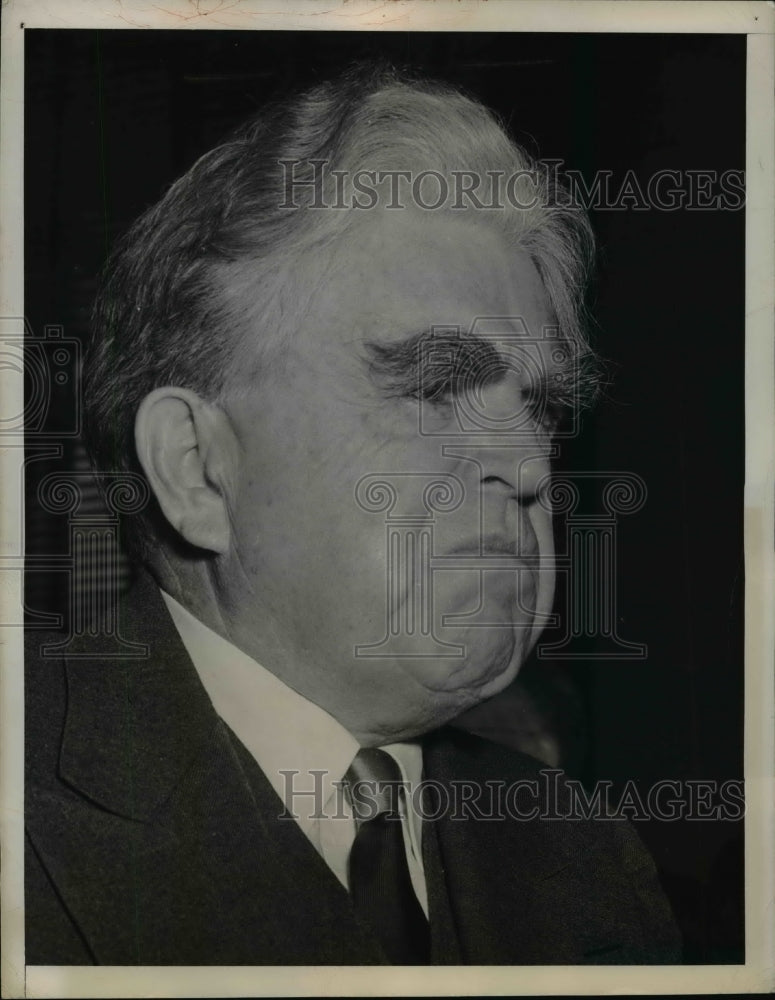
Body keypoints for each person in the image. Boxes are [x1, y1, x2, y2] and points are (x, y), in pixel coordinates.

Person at [25, 64, 680, 965]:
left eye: (539, 411)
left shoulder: (576, 851)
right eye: (436, 386)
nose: (529, 465)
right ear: (198, 470)